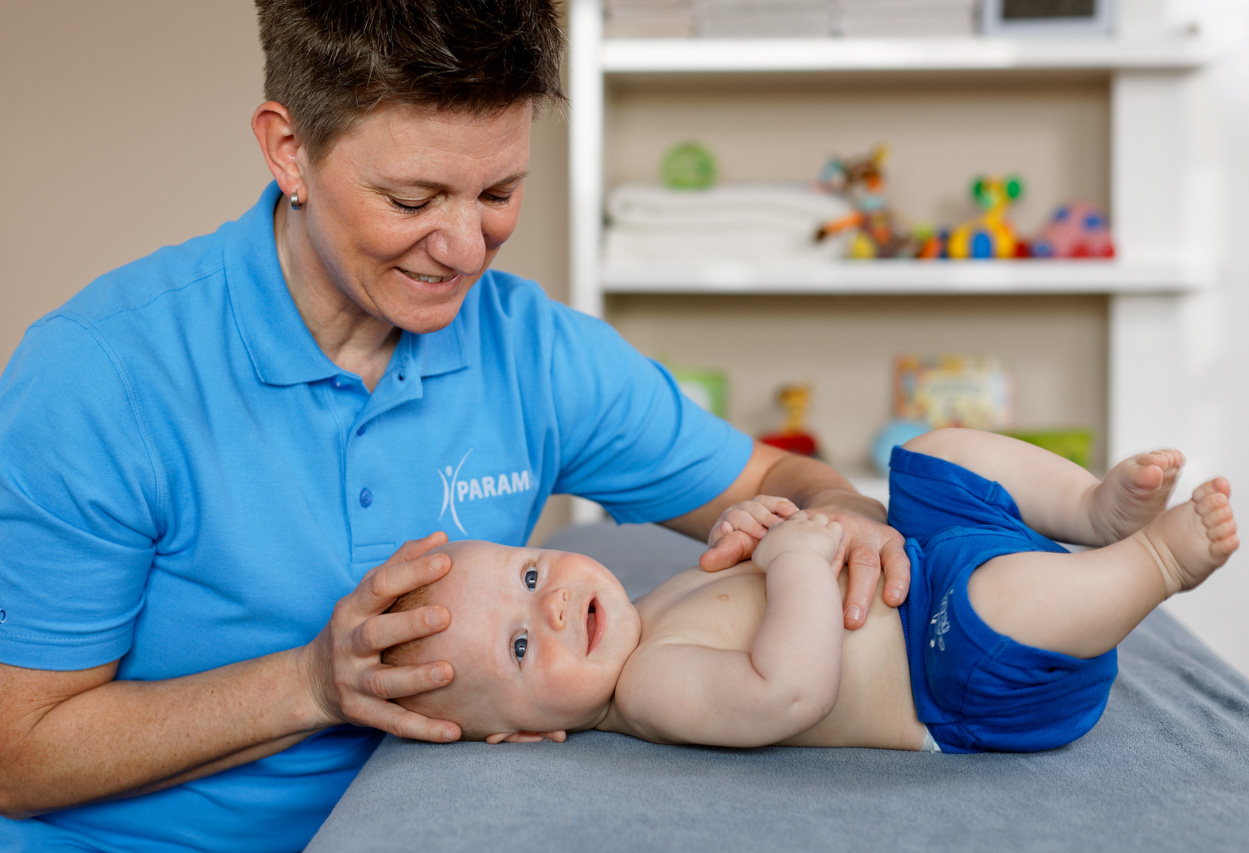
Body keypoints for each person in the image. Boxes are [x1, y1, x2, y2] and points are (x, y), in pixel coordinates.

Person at [0, 2, 905, 849]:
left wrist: (845, 520)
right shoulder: (101, 378)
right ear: (288, 152)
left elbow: (767, 486)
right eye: (413, 200)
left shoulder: (533, 353)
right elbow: (19, 754)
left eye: (499, 192)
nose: (466, 249)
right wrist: (313, 684)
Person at [383, 429, 1239, 752]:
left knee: (934, 450)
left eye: (531, 576)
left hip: (923, 557)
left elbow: (764, 572)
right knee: (1002, 603)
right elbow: (788, 688)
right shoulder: (646, 687)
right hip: (957, 669)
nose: (555, 605)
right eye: (523, 645)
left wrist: (758, 526)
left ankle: (1090, 510)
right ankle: (1153, 566)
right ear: (525, 735)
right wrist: (793, 564)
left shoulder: (649, 616)